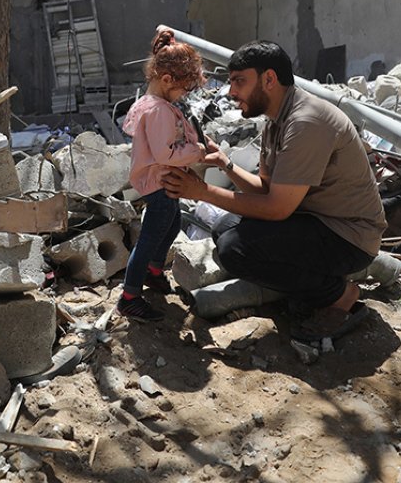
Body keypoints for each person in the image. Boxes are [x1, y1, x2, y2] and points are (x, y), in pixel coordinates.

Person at [162, 41, 385, 343]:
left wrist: (201, 191)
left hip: (348, 236)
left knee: (235, 250)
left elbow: (277, 209)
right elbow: (267, 190)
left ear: (268, 79)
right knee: (222, 228)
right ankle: (306, 286)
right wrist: (227, 165)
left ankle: (340, 295)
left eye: (239, 81)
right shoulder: (275, 121)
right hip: (314, 220)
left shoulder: (306, 122)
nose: (230, 92)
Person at [116, 30, 207, 322]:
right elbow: (165, 153)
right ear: (167, 80)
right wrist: (198, 152)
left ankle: (154, 272)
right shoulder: (158, 111)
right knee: (151, 237)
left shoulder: (154, 104)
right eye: (184, 89)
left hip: (162, 180)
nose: (185, 96)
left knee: (172, 224)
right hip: (158, 182)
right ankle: (129, 297)